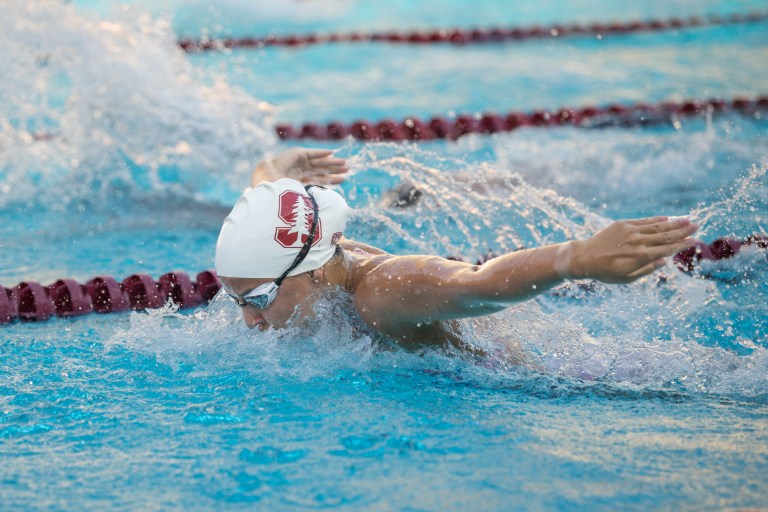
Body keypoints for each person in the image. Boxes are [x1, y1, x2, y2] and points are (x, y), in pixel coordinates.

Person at [215, 147, 698, 353]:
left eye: (257, 299)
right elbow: (269, 217)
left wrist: (574, 259)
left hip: (547, 373)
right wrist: (270, 170)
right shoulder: (313, 258)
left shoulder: (381, 291)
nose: (250, 321)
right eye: (238, 300)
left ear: (315, 273)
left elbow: (478, 283)